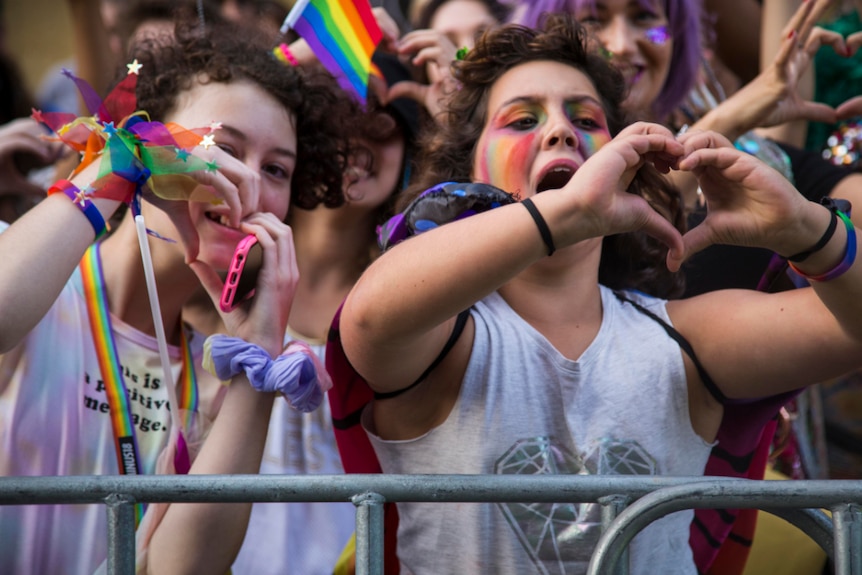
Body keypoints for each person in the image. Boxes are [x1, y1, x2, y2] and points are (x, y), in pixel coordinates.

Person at [330, 13, 862, 575]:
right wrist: (568, 211)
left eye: (586, 118)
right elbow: (367, 322)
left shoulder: (684, 339)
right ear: (468, 171)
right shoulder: (447, 336)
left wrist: (808, 229)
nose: (560, 131)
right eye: (521, 120)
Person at [0, 13, 346, 574]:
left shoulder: (215, 377)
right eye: (219, 145)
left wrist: (260, 353)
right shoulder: (31, 272)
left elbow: (185, 566)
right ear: (146, 136)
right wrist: (121, 165)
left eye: (277, 169)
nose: (247, 182)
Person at [227, 52, 420, 575]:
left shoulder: (422, 292)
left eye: (385, 125)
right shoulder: (223, 264)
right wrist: (289, 60)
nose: (361, 138)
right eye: (339, 115)